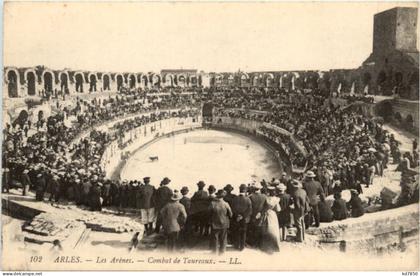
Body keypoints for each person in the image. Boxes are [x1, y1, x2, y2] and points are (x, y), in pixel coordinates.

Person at [209, 189, 232, 255]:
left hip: (214, 223)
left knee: (215, 238)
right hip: (224, 224)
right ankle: (222, 252)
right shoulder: (226, 204)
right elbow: (230, 214)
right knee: (223, 238)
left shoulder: (212, 203)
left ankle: (214, 252)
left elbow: (208, 213)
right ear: (223, 196)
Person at [231, 184, 252, 251]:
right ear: (245, 190)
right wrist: (243, 216)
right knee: (243, 232)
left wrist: (237, 216)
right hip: (244, 219)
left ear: (239, 189)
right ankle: (242, 247)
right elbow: (250, 210)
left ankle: (237, 245)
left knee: (236, 231)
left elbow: (232, 209)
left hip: (236, 218)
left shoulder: (234, 199)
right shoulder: (248, 199)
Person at [260, 186, 281, 253]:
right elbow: (278, 209)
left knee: (266, 229)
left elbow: (263, 208)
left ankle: (266, 246)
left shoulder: (266, 199)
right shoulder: (276, 200)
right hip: (273, 214)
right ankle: (275, 246)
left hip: (267, 214)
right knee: (274, 230)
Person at [248, 182, 267, 248]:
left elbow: (249, 207)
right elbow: (266, 207)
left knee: (253, 229)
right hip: (261, 215)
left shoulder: (250, 196)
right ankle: (259, 244)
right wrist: (261, 212)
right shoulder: (264, 196)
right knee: (260, 228)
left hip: (252, 215)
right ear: (260, 189)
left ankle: (253, 243)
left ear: (253, 189)